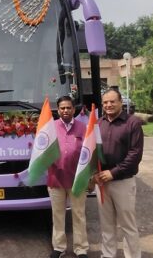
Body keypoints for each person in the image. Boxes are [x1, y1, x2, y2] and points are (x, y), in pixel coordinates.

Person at [95, 88, 143, 258]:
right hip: (101, 181)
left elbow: (135, 155)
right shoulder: (98, 123)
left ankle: (133, 255)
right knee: (106, 224)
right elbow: (92, 151)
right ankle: (108, 254)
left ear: (120, 102)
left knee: (127, 225)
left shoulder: (133, 123)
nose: (108, 105)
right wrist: (94, 172)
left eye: (112, 101)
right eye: (105, 102)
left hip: (122, 181)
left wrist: (113, 173)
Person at [48, 96, 88, 258]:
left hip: (77, 179)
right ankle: (59, 247)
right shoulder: (50, 128)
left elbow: (89, 152)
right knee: (57, 214)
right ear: (58, 110)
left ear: (74, 109)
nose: (65, 110)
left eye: (68, 108)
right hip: (56, 179)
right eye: (62, 108)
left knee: (79, 214)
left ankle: (81, 249)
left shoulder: (83, 127)